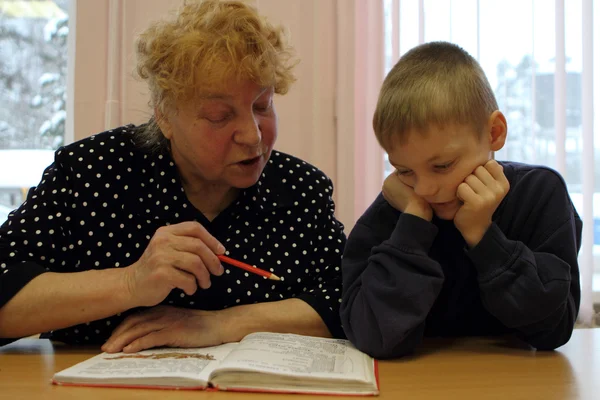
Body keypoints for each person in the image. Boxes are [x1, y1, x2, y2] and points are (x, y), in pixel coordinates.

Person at [0, 0, 346, 352]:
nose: (253, 135)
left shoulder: (300, 190)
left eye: (262, 105)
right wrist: (130, 282)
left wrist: (221, 324)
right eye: (219, 116)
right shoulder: (91, 172)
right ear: (164, 115)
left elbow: (349, 300)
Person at [340, 41, 581, 359]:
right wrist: (413, 224)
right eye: (404, 170)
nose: (424, 188)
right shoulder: (393, 213)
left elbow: (554, 329)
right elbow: (372, 335)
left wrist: (483, 236)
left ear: (494, 133)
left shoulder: (539, 193)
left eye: (442, 166)